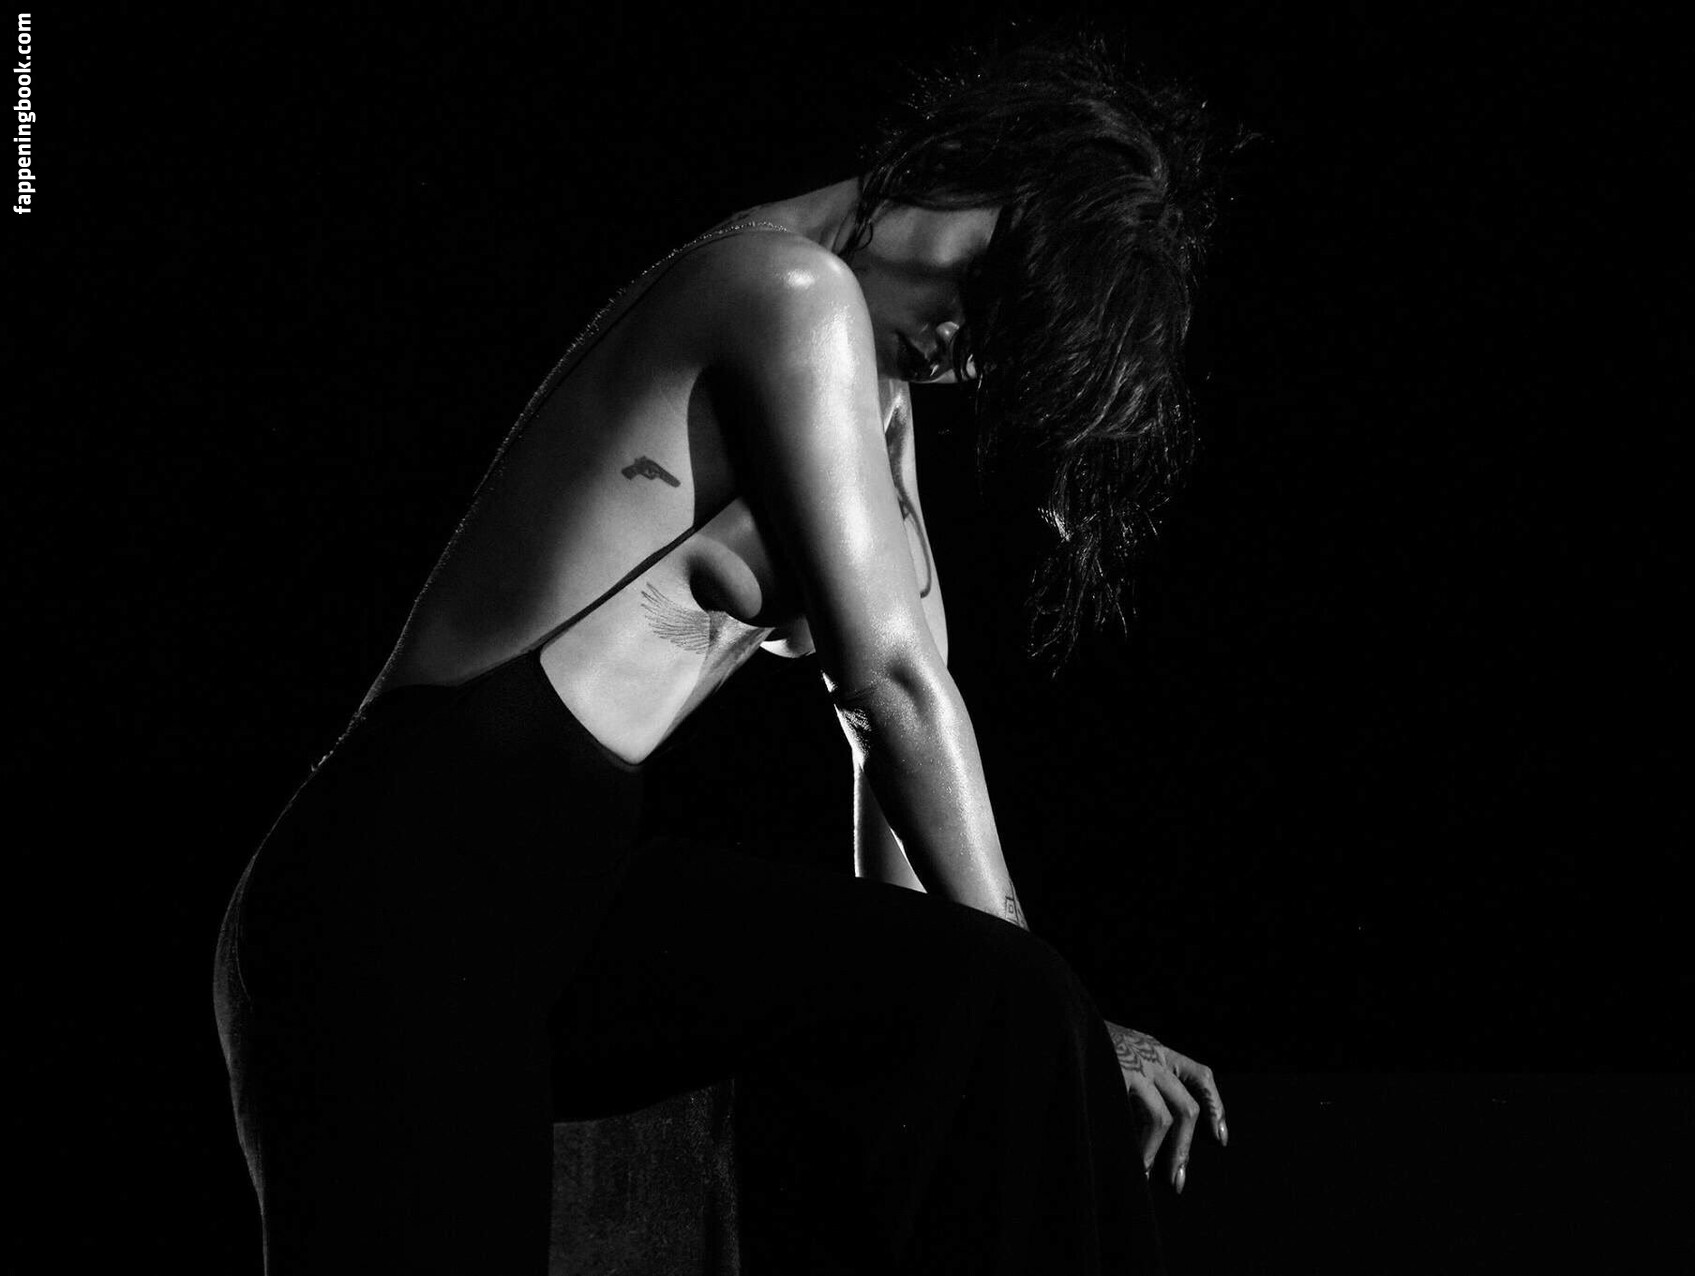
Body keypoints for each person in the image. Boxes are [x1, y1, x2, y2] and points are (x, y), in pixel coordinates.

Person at [213, 32, 1239, 1274]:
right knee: (1023, 1000)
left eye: (1001, 348)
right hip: (405, 873)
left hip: (559, 888)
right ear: (983, 178)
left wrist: (1022, 1006)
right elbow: (894, 687)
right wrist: (1063, 1011)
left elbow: (894, 746)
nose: (966, 350)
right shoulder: (784, 288)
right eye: (987, 295)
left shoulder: (877, 396)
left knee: (979, 999)